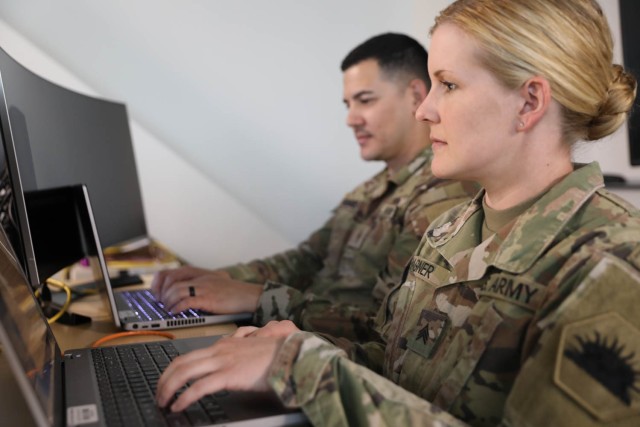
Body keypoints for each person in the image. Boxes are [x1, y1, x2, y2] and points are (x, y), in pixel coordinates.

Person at [156, 0, 640, 424]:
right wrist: (278, 351)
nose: (424, 109)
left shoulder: (611, 267)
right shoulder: (452, 230)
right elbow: (393, 363)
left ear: (529, 101)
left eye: (447, 85)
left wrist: (303, 367)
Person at [151, 33, 476, 341]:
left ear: (416, 96)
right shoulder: (372, 189)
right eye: (347, 104)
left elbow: (386, 328)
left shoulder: (441, 197)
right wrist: (223, 279)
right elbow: (307, 259)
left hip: (332, 357)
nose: (351, 118)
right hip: (306, 339)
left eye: (364, 100)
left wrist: (258, 298)